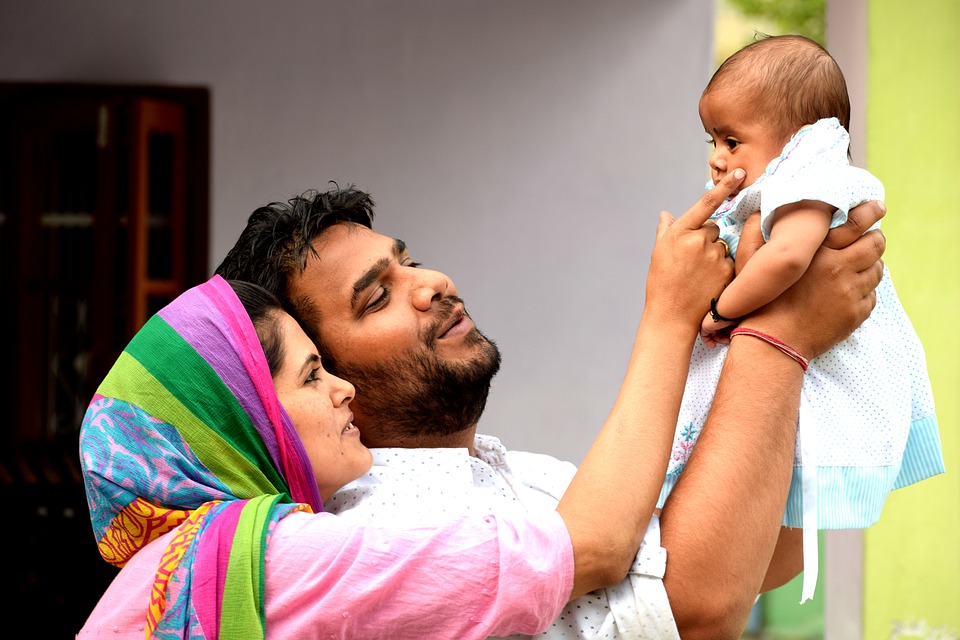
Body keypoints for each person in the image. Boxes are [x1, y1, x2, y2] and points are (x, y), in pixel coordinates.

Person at [215, 173, 885, 638]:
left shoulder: (519, 473)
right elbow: (694, 609)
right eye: (378, 297)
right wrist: (765, 334)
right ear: (322, 373)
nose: (431, 283)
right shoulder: (381, 532)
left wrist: (788, 306)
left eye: (408, 261)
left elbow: (758, 559)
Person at [76, 214, 731, 640]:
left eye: (409, 261)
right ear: (250, 428)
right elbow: (612, 557)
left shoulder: (201, 564)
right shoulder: (294, 557)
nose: (342, 389)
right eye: (313, 374)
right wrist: (673, 313)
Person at [659, 34, 943, 602]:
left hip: (816, 357)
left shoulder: (811, 181)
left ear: (800, 138)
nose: (717, 156)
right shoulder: (775, 187)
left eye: (732, 140)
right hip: (780, 348)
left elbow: (788, 259)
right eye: (713, 140)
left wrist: (720, 310)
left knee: (763, 469)